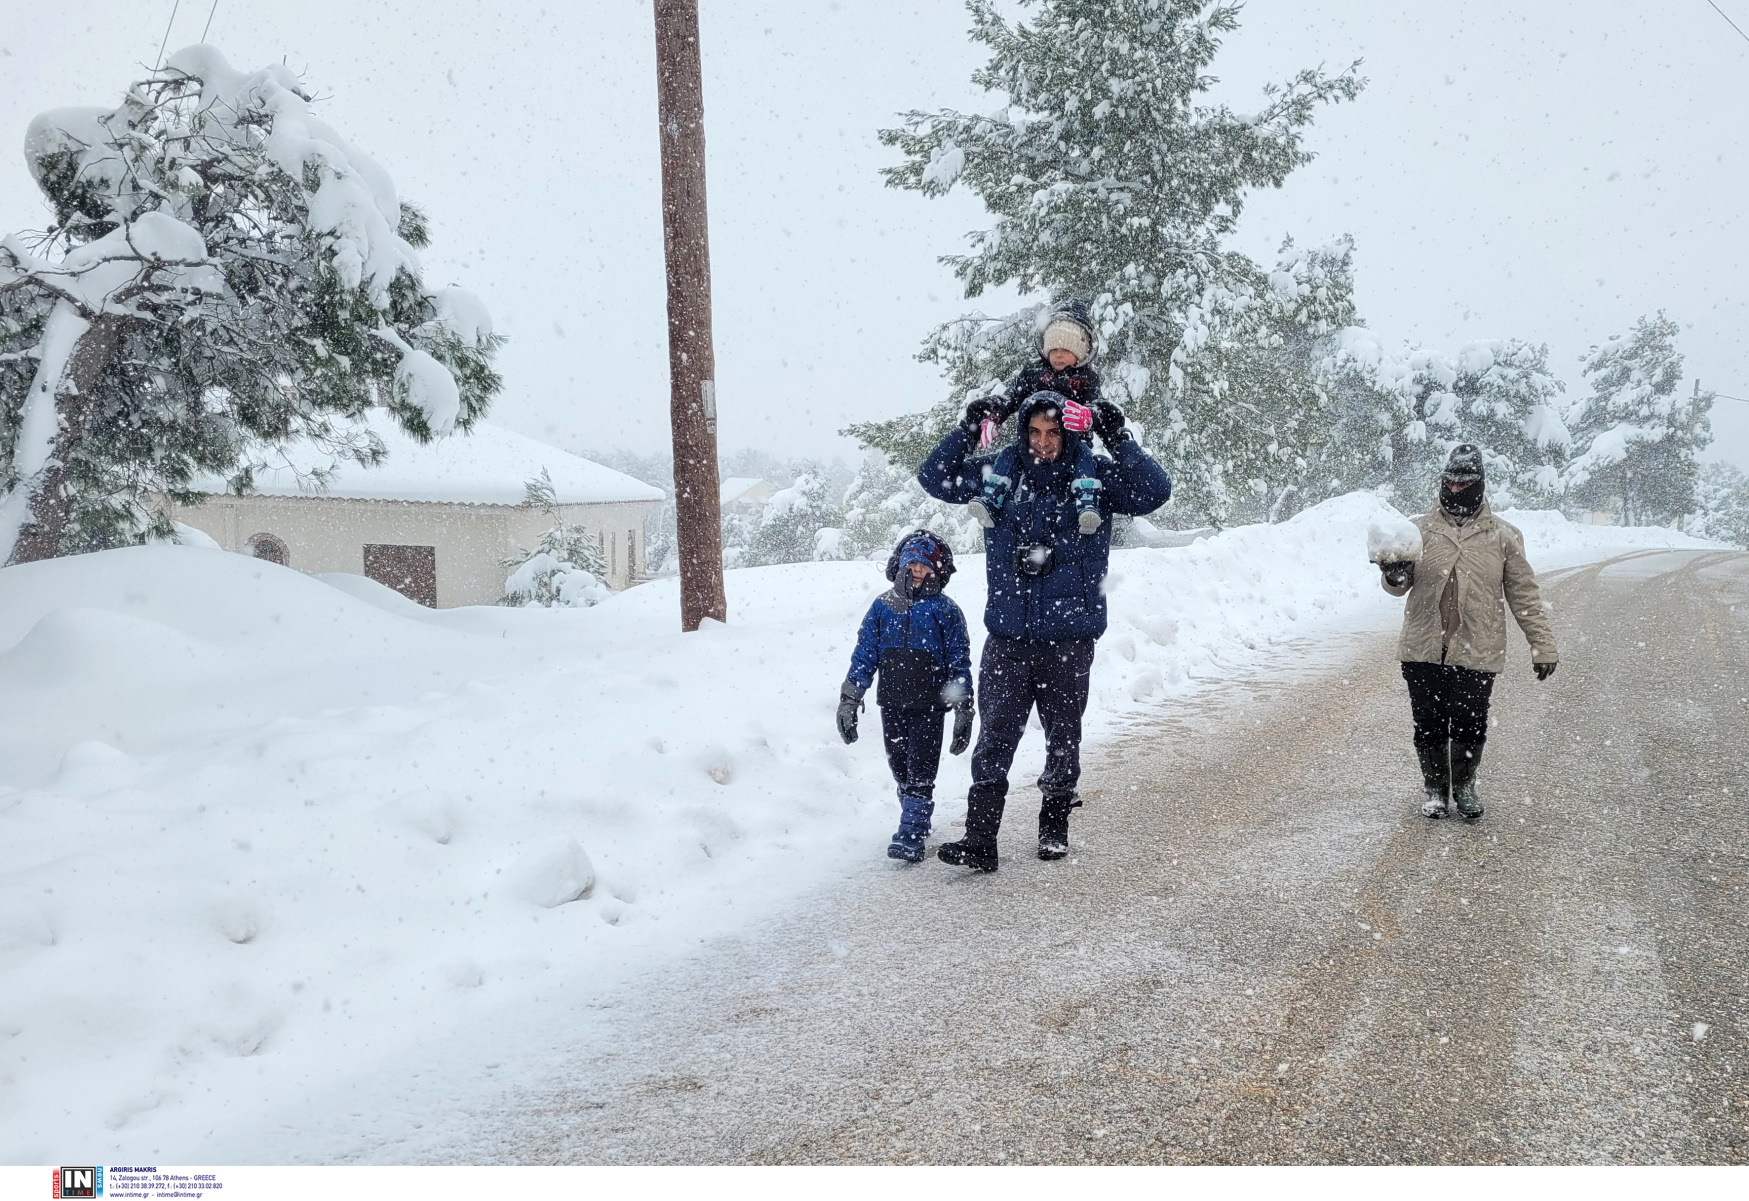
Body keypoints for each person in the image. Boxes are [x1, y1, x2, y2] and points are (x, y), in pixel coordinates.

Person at [917, 389, 1172, 871]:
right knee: (993, 738)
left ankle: (1054, 824)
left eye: (1053, 432)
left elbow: (1156, 491)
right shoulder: (1000, 474)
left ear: (1068, 431)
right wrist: (968, 431)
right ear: (1022, 432)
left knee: (1063, 737)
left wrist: (1119, 438)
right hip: (1009, 638)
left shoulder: (1095, 476)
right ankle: (980, 839)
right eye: (1034, 432)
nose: (1043, 442)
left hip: (1069, 638)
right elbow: (934, 476)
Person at [1377, 444, 1559, 820]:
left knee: (1470, 722)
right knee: (1428, 721)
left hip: (1478, 648)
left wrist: (1542, 644)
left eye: (1465, 483)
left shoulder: (1504, 536)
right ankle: (1435, 789)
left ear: (1480, 484)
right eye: (1450, 482)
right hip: (1423, 647)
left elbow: (1523, 594)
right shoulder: (1418, 530)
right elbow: (1399, 586)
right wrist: (1393, 576)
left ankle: (1463, 785)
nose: (1456, 490)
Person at [837, 530, 975, 862]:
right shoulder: (883, 607)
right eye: (912, 563)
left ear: (937, 571)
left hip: (929, 704)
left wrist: (963, 707)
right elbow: (865, 654)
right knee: (900, 767)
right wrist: (850, 698)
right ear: (900, 564)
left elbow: (959, 660)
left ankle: (911, 832)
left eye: (925, 566)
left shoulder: (946, 611)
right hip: (892, 702)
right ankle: (916, 814)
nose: (917, 571)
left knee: (921, 769)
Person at [964, 300, 1107, 536]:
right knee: (1008, 456)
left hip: (1073, 443)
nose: (1058, 355)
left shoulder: (1087, 379)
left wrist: (1089, 416)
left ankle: (1087, 503)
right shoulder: (1033, 373)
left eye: (1066, 349)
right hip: (1031, 445)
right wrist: (994, 417)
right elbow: (1010, 397)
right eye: (1054, 349)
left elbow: (1100, 407)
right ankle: (991, 498)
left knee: (1084, 458)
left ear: (1080, 352)